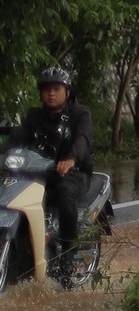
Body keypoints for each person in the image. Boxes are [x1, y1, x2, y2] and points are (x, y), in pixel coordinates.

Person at [20, 67, 93, 264]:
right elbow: (16, 139)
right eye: (46, 89)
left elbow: (83, 139)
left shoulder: (80, 114)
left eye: (56, 89)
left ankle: (68, 251)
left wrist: (71, 159)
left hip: (74, 174)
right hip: (40, 172)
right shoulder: (34, 116)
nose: (51, 93)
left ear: (67, 91)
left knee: (64, 192)